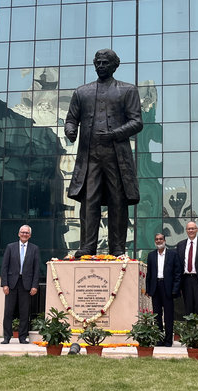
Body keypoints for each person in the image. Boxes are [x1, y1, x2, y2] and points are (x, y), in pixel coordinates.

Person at [64, 49, 143, 258]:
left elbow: (137, 122)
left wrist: (115, 134)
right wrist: (71, 130)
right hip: (90, 157)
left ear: (114, 66)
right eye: (97, 62)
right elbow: (71, 118)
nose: (100, 66)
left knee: (118, 200)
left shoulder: (127, 90)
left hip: (117, 157)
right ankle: (88, 246)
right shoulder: (82, 92)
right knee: (90, 201)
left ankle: (117, 247)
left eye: (105, 63)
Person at [0, 225, 40, 344]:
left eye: (27, 233)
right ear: (18, 234)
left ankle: (22, 337)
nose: (24, 234)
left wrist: (34, 286)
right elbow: (4, 267)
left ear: (30, 235)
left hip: (26, 285)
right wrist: (4, 284)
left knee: (24, 312)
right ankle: (7, 337)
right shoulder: (10, 247)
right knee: (8, 312)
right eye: (22, 232)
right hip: (11, 284)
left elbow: (36, 269)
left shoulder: (34, 249)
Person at [145, 233, 182, 347]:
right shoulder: (151, 255)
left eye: (161, 239)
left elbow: (178, 273)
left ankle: (168, 340)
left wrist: (175, 289)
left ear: (165, 240)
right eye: (156, 239)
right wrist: (148, 289)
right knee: (156, 315)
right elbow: (149, 274)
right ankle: (159, 339)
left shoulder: (173, 254)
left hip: (168, 288)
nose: (159, 241)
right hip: (156, 287)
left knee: (169, 316)